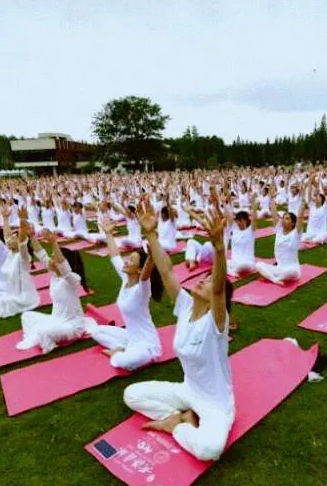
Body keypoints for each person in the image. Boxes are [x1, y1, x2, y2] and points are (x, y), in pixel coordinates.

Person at [122, 193, 235, 462]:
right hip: (188, 391)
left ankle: (178, 426)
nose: (203, 281)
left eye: (208, 281)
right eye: (204, 278)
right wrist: (150, 235)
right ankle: (179, 415)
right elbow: (167, 271)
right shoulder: (184, 306)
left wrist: (219, 250)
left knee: (210, 450)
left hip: (215, 403)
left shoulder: (216, 321)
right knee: (131, 394)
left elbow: (219, 290)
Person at [84, 219, 164, 371]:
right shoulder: (125, 279)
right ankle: (121, 348)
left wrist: (152, 252)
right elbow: (115, 256)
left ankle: (119, 353)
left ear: (139, 269)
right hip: (130, 336)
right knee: (95, 331)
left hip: (146, 344)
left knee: (124, 362)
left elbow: (147, 272)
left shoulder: (142, 289)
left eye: (131, 261)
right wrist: (108, 234)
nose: (126, 262)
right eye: (128, 259)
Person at [15, 230, 90, 353]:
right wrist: (31, 235)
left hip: (72, 326)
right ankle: (42, 336)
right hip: (56, 320)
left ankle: (48, 344)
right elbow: (42, 254)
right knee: (26, 316)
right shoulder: (55, 275)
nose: (50, 260)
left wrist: (54, 243)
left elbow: (64, 269)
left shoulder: (73, 279)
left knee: (42, 331)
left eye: (54, 258)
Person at [0, 209, 40, 319]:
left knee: (2, 304)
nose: (9, 241)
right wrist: (5, 218)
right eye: (10, 239)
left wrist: (22, 221)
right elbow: (7, 235)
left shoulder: (23, 256)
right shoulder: (11, 253)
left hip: (24, 297)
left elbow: (23, 242)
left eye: (13, 239)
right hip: (12, 291)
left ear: (19, 243)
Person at [254, 183, 306, 286]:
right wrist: (272, 198)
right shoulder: (279, 230)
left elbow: (300, 217)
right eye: (283, 218)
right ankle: (275, 280)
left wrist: (303, 199)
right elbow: (273, 213)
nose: (283, 220)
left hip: (292, 270)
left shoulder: (296, 234)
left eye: (287, 218)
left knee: (291, 272)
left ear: (293, 223)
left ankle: (272, 278)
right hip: (279, 269)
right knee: (259, 265)